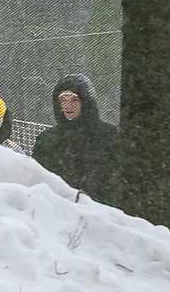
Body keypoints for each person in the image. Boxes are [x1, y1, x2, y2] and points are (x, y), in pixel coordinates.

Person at [30, 72, 120, 203]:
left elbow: (115, 183)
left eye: (74, 100)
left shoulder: (108, 135)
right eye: (63, 100)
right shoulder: (47, 140)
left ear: (86, 102)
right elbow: (39, 183)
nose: (68, 106)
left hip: (99, 212)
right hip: (58, 210)